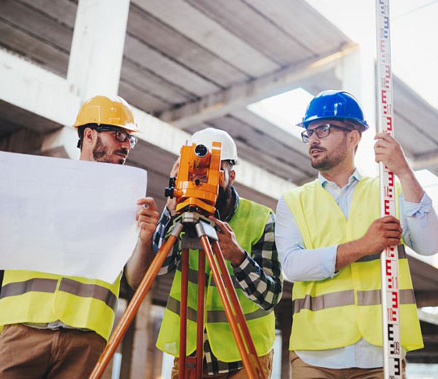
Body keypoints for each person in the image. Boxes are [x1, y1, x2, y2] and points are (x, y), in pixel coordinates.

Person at [0, 95, 159, 378]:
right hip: (23, 329)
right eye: (118, 134)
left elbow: (135, 278)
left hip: (86, 340)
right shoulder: (33, 182)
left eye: (129, 140)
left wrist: (145, 239)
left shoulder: (130, 203)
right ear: (89, 134)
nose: (125, 145)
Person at [275, 90, 438, 378]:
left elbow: (429, 243)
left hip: (382, 351)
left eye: (322, 129)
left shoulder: (389, 191)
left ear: (353, 136)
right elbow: (292, 267)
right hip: (315, 355)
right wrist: (363, 245)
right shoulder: (293, 201)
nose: (313, 139)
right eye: (309, 132)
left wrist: (403, 171)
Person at [153, 127, 283, 378]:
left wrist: (238, 257)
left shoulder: (261, 218)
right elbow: (159, 265)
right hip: (191, 350)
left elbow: (271, 296)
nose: (203, 177)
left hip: (245, 353)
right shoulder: (180, 213)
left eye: (214, 169)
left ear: (231, 175)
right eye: (196, 168)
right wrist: (170, 209)